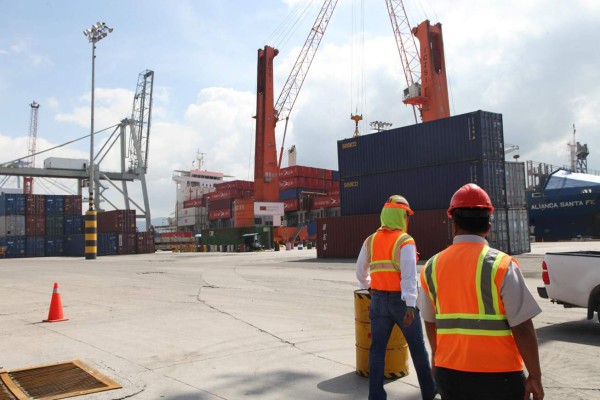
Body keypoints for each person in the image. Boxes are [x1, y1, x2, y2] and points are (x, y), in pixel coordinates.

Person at [419, 183, 544, 400]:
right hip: (499, 378)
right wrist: (535, 375)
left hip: (450, 374)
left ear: (453, 226)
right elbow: (523, 326)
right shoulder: (502, 265)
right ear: (488, 227)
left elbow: (429, 321)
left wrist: (436, 358)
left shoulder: (431, 266)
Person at [356, 195, 437, 400]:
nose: (407, 219)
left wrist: (369, 287)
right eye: (406, 215)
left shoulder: (370, 240)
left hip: (377, 302)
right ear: (400, 216)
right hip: (402, 304)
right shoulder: (405, 241)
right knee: (418, 349)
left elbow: (360, 271)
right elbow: (409, 277)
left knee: (377, 350)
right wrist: (410, 305)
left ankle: (375, 395)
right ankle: (429, 392)